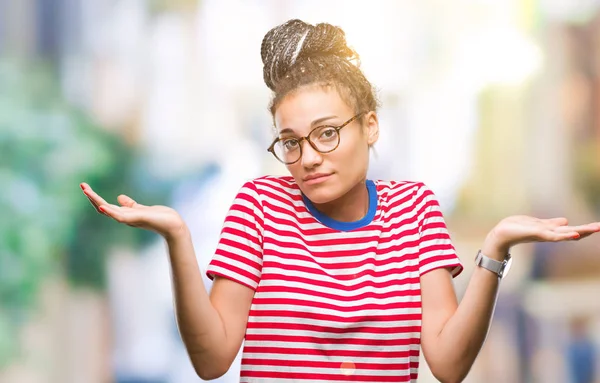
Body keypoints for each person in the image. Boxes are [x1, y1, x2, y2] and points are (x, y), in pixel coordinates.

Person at [80, 19, 600, 383]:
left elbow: (447, 364)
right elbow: (213, 359)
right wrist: (177, 238)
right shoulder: (259, 204)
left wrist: (495, 249)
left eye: (327, 133)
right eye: (291, 141)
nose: (308, 157)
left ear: (369, 125)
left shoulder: (413, 210)